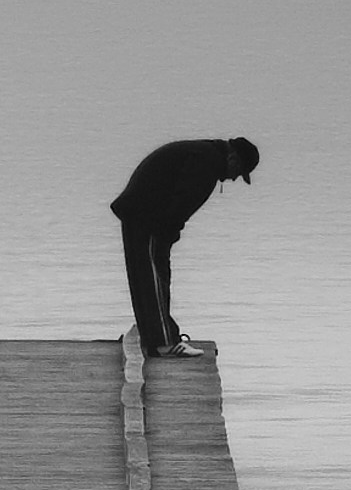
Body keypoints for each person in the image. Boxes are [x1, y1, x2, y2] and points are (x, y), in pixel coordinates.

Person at [109, 136, 259, 356]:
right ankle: (164, 343)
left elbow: (177, 203)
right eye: (239, 171)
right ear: (233, 157)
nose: (234, 178)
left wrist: (168, 233)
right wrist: (167, 234)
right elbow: (180, 204)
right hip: (146, 218)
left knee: (145, 279)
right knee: (153, 280)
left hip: (140, 213)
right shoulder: (207, 163)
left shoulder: (204, 154)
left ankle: (153, 338)